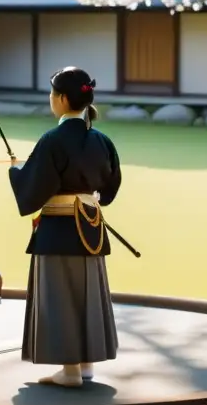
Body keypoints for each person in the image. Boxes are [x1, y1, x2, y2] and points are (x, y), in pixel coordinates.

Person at [7, 66, 122, 388]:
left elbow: (34, 187)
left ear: (60, 98)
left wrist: (16, 172)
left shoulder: (52, 140)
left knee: (59, 297)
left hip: (58, 231)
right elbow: (110, 189)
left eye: (51, 94)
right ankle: (85, 367)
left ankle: (70, 371)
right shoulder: (102, 140)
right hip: (91, 230)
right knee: (87, 295)